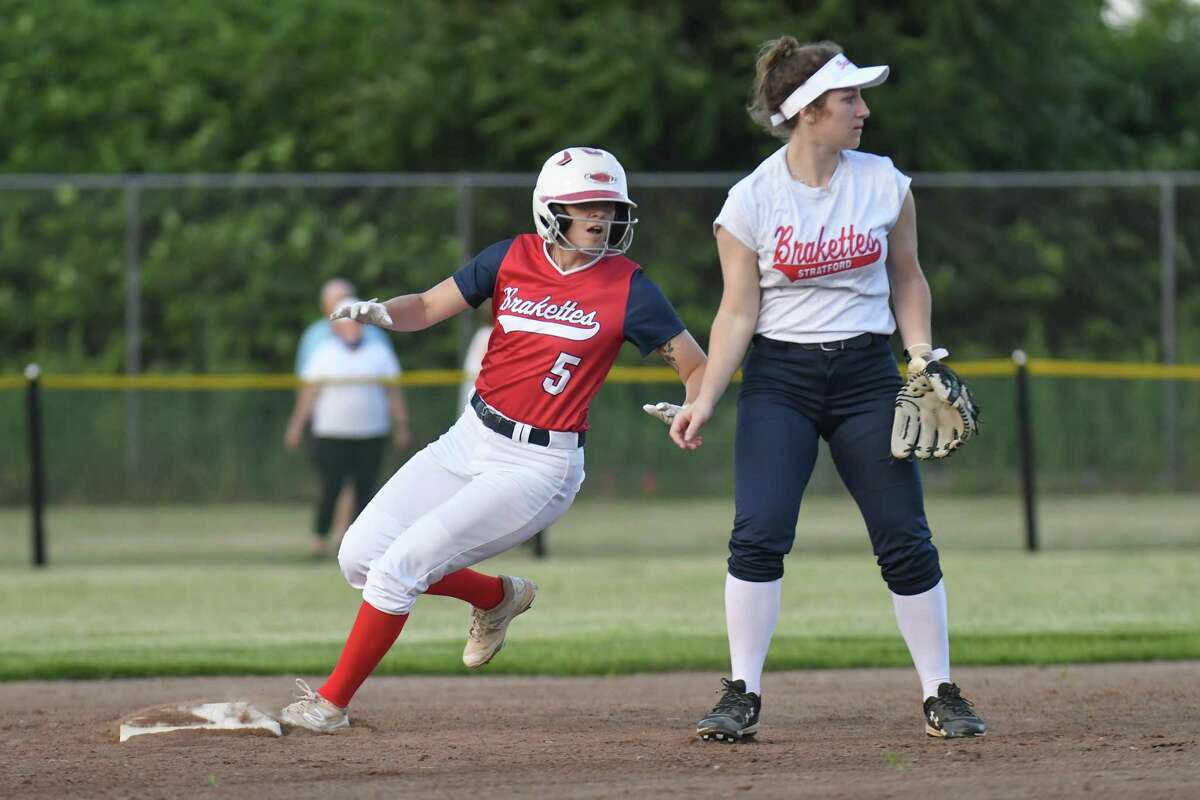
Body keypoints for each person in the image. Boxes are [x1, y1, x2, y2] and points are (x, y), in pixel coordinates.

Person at [280, 146, 707, 733]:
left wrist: (696, 404)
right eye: (587, 205)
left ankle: (330, 703)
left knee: (398, 568)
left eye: (609, 206)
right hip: (470, 436)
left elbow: (695, 363)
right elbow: (429, 306)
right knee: (359, 556)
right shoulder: (511, 257)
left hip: (538, 465)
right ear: (550, 208)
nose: (602, 217)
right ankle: (495, 597)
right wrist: (382, 311)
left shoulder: (628, 286)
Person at [666, 38, 987, 742]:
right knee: (758, 534)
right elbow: (738, 311)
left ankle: (941, 693)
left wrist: (921, 356)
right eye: (850, 99)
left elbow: (907, 276)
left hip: (868, 376)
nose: (864, 110)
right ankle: (741, 692)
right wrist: (708, 395)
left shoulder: (883, 182)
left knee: (904, 537)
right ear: (807, 111)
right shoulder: (750, 200)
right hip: (781, 379)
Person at [285, 306, 411, 556]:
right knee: (331, 485)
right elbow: (309, 395)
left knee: (365, 486)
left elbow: (393, 393)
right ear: (338, 328)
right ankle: (320, 539)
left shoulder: (379, 352)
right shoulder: (325, 353)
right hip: (332, 432)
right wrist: (296, 426)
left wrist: (401, 426)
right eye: (348, 324)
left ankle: (357, 542)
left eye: (357, 323)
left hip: (371, 431)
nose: (353, 328)